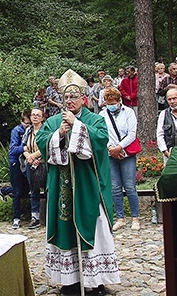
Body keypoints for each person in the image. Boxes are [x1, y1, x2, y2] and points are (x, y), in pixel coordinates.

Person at [36, 69, 120, 296]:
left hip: (88, 187)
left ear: (84, 97)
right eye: (67, 97)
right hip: (62, 186)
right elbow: (41, 140)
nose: (70, 101)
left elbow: (101, 140)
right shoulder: (53, 121)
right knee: (65, 229)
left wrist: (77, 126)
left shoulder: (95, 119)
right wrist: (59, 135)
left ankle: (95, 282)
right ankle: (70, 281)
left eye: (75, 96)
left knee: (94, 228)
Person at [99, 88, 139, 231]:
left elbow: (132, 133)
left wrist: (120, 147)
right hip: (111, 154)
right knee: (115, 187)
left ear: (119, 101)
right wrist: (111, 148)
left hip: (126, 153)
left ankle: (135, 217)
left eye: (113, 102)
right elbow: (102, 134)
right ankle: (120, 217)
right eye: (108, 102)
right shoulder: (102, 115)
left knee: (129, 186)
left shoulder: (128, 113)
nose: (111, 104)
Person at [0, 110, 31, 229]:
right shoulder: (16, 131)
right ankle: (16, 218)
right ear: (22, 122)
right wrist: (25, 148)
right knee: (16, 192)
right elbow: (13, 149)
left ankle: (4, 190)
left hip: (27, 162)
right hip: (16, 161)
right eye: (27, 124)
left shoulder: (33, 130)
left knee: (25, 189)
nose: (29, 126)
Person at [20, 107, 45, 230]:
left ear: (42, 117)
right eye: (33, 115)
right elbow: (24, 146)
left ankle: (48, 216)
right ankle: (34, 217)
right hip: (31, 164)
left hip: (43, 163)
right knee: (33, 190)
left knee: (47, 188)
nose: (35, 117)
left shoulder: (45, 130)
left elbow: (46, 146)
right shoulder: (28, 131)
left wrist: (34, 156)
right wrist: (29, 157)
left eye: (38, 115)